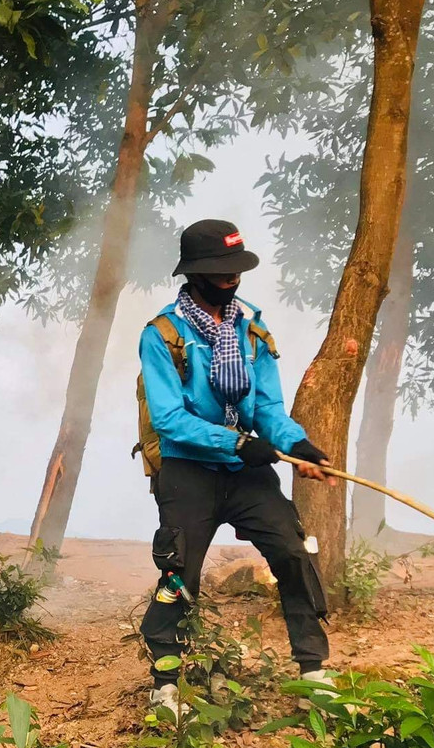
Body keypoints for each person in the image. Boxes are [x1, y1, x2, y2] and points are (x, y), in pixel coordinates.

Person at [138, 219, 334, 716]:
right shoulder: (163, 335)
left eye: (236, 269)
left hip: (245, 472)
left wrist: (297, 443)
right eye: (220, 270)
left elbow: (267, 407)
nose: (231, 278)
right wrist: (236, 442)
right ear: (194, 273)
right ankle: (166, 683)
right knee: (179, 571)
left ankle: (313, 670)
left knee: (292, 551)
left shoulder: (252, 331)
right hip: (189, 470)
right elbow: (169, 419)